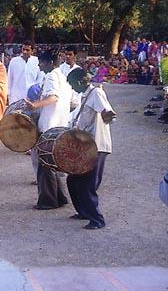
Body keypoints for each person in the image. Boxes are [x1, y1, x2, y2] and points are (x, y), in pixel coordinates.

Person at [66, 68, 116, 230]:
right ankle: (83, 212)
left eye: (73, 84)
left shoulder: (96, 93)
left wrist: (107, 115)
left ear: (80, 81)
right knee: (72, 180)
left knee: (87, 185)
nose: (72, 88)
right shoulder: (85, 95)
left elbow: (109, 114)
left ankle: (97, 219)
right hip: (86, 146)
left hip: (97, 146)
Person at [26, 50, 71, 210]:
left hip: (49, 125)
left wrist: (35, 105)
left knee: (45, 164)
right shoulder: (62, 76)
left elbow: (54, 97)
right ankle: (60, 197)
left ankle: (48, 201)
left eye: (41, 62)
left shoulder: (51, 76)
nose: (39, 65)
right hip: (59, 124)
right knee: (52, 163)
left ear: (50, 63)